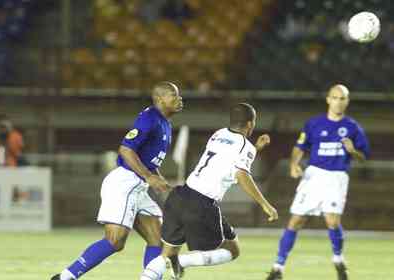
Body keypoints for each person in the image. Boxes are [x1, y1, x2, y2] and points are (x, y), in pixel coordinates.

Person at [50, 81, 183, 280]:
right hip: (125, 182)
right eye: (174, 95)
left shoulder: (166, 124)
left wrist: (163, 184)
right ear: (160, 99)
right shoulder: (149, 118)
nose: (179, 99)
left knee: (158, 238)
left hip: (139, 186)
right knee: (115, 241)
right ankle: (65, 277)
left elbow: (150, 163)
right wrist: (149, 177)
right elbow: (126, 149)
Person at [140, 102, 279, 280]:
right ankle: (181, 262)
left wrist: (255, 148)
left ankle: (158, 271)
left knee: (166, 253)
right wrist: (265, 204)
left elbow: (227, 157)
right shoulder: (244, 146)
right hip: (202, 205)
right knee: (232, 250)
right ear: (251, 124)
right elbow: (242, 174)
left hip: (181, 195)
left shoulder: (218, 134)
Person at [265, 84, 370, 280]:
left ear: (347, 102)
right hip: (313, 176)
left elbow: (364, 157)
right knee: (296, 221)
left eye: (342, 98)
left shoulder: (353, 127)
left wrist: (353, 151)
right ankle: (277, 267)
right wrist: (294, 165)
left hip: (337, 176)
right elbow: (300, 147)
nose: (338, 102)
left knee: (332, 221)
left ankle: (338, 260)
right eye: (335, 97)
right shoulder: (314, 124)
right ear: (328, 99)